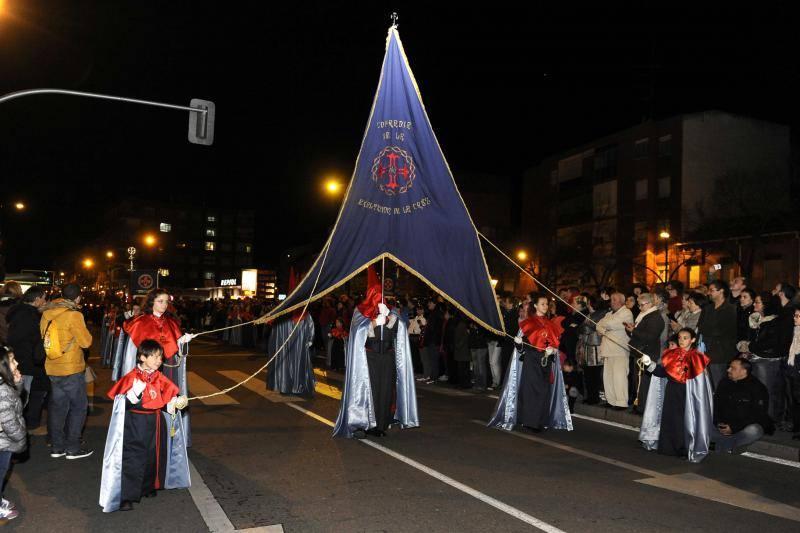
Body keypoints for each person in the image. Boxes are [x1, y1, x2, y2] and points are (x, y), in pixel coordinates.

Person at [99, 339, 189, 512]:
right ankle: (126, 495)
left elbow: (164, 400)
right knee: (133, 457)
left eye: (160, 357)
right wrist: (132, 395)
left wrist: (175, 403)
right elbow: (120, 404)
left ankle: (148, 486)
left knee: (153, 454)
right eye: (154, 356)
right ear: (141, 357)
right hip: (135, 423)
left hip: (155, 421)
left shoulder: (158, 377)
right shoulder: (131, 377)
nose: (158, 360)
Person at [333, 267, 418, 438]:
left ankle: (381, 424)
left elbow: (400, 331)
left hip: (387, 355)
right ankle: (365, 423)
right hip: (369, 356)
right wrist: (372, 323)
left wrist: (391, 320)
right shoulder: (360, 312)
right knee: (370, 390)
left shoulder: (391, 310)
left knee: (386, 390)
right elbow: (357, 334)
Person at [488, 293, 572, 433]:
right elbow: (521, 348)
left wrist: (553, 350)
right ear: (535, 306)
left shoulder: (551, 324)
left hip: (546, 362)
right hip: (531, 361)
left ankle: (540, 420)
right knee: (532, 391)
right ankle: (530, 422)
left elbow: (556, 344)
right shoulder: (528, 323)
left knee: (544, 391)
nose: (545, 306)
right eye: (542, 304)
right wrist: (519, 343)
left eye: (546, 304)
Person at [638, 328, 712, 462]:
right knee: (669, 417)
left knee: (684, 420)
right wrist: (649, 364)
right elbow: (662, 372)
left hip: (688, 392)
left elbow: (701, 382)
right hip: (672, 390)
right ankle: (668, 447)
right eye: (680, 338)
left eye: (686, 338)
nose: (682, 340)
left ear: (693, 340)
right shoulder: (671, 354)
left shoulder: (697, 357)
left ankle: (684, 449)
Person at [40, 283, 93, 460]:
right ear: (78, 298)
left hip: (52, 366)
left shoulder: (46, 314)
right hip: (71, 368)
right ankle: (72, 448)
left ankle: (57, 446)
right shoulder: (74, 315)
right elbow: (86, 342)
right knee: (79, 407)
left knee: (57, 408)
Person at [6, 286, 49, 433]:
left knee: (26, 395)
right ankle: (15, 428)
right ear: (37, 300)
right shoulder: (27, 315)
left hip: (24, 361)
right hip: (25, 363)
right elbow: (19, 339)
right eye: (44, 298)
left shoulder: (23, 312)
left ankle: (24, 424)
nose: (45, 301)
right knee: (22, 397)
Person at [711, 357, 774, 452]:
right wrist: (719, 423)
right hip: (724, 425)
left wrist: (734, 427)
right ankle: (733, 444)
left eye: (733, 368)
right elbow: (715, 405)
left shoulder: (757, 387)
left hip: (742, 426)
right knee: (701, 424)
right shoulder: (724, 382)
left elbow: (758, 414)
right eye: (729, 367)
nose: (728, 370)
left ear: (743, 371)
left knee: (754, 431)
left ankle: (723, 444)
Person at [627, 293, 666, 412]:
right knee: (638, 381)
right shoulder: (644, 315)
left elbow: (650, 337)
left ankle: (643, 407)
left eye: (641, 305)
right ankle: (638, 404)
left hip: (647, 352)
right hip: (639, 351)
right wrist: (631, 330)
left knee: (644, 382)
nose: (639, 307)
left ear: (650, 304)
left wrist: (634, 330)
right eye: (638, 305)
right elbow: (638, 334)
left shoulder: (655, 317)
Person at [0, 345, 26, 521]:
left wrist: (17, 381)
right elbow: (8, 421)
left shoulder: (3, 384)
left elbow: (14, 399)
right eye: (11, 361)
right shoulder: (1, 390)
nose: (16, 363)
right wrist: (21, 437)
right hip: (3, 441)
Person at [697, 280, 738, 388]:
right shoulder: (707, 308)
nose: (709, 293)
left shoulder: (730, 309)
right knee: (705, 386)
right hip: (705, 351)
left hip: (720, 354)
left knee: (718, 384)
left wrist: (708, 330)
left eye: (712, 290)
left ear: (721, 291)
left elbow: (722, 330)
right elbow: (700, 328)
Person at [266, 308, 316, 396]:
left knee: (293, 364)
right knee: (290, 365)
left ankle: (291, 386)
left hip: (296, 345)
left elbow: (310, 326)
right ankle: (288, 386)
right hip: (291, 345)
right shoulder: (288, 314)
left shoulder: (302, 314)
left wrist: (310, 339)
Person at [596, 292, 633, 410]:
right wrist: (605, 328)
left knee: (619, 377)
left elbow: (613, 324)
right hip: (607, 349)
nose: (612, 302)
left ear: (622, 301)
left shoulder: (626, 312)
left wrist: (605, 327)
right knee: (608, 377)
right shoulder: (608, 313)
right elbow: (598, 326)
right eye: (611, 300)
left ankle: (621, 402)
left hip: (619, 349)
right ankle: (611, 400)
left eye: (615, 299)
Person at [576, 295, 605, 405]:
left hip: (596, 347)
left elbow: (586, 328)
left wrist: (582, 328)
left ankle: (595, 397)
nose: (587, 305)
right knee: (588, 374)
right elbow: (582, 328)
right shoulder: (590, 315)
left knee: (595, 374)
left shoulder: (601, 314)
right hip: (587, 347)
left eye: (588, 302)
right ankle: (590, 396)